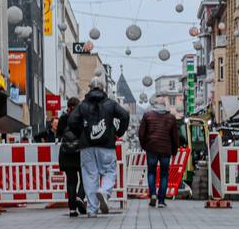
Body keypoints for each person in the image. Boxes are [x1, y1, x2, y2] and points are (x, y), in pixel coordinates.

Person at [68, 76, 129, 216]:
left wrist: (81, 134)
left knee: (90, 176)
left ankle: (92, 209)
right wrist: (118, 132)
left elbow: (71, 120)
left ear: (89, 88)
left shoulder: (82, 105)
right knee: (109, 172)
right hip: (106, 145)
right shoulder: (110, 104)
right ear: (103, 88)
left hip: (87, 147)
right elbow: (125, 115)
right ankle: (104, 191)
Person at [137, 98, 180, 208]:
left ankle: (152, 195)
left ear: (154, 105)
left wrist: (144, 145)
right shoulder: (171, 118)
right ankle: (161, 200)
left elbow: (141, 133)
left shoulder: (147, 115)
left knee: (151, 172)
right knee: (164, 174)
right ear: (164, 105)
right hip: (165, 149)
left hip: (151, 148)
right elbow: (175, 136)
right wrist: (174, 150)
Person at [56, 97, 82, 217]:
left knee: (71, 182)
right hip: (80, 152)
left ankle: (72, 209)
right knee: (85, 179)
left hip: (66, 154)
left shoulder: (63, 118)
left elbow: (59, 134)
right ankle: (80, 198)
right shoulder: (81, 118)